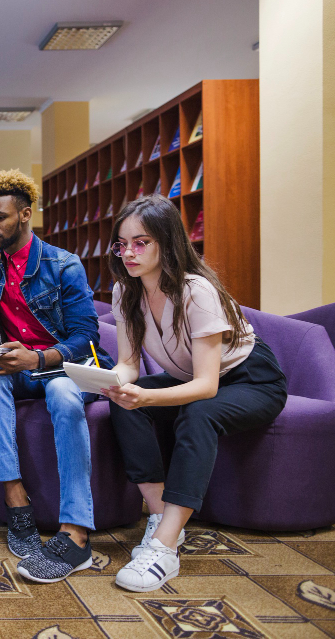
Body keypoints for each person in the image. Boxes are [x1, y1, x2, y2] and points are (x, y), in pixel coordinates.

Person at [103, 195, 287, 592]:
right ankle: (161, 520)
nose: (128, 253)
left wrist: (147, 396)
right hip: (196, 379)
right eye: (122, 243)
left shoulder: (195, 290)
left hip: (250, 379)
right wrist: (113, 382)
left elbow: (207, 387)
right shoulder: (125, 292)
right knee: (123, 402)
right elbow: (128, 364)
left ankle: (164, 550)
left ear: (166, 244)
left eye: (141, 242)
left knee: (198, 413)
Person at [0, 169, 111, 584]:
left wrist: (38, 360)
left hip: (62, 367)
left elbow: (86, 337)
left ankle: (76, 533)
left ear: (24, 215)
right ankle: (15, 500)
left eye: (0, 218)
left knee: (60, 390)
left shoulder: (63, 264)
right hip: (17, 369)